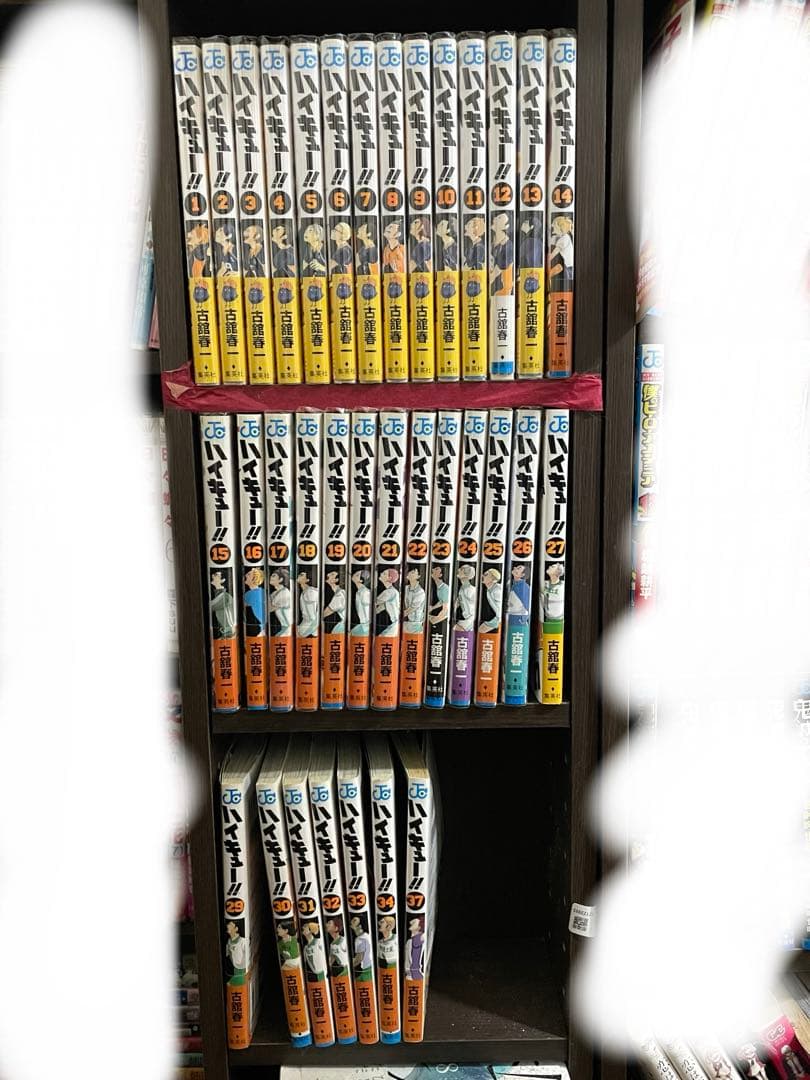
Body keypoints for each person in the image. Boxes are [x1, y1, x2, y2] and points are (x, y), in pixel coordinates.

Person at [490, 211, 514, 295]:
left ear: (506, 226)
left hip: (500, 291)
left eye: (499, 218)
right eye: (496, 217)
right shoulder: (491, 240)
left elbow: (494, 274)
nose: (495, 219)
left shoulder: (508, 246)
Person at [548, 214, 574, 289]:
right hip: (568, 267)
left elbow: (553, 254)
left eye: (554, 226)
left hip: (568, 268)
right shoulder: (563, 237)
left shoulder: (564, 239)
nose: (552, 228)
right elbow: (553, 241)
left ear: (559, 227)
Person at [210, 570, 236, 638]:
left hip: (227, 633)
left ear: (222, 580)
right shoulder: (217, 594)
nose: (212, 576)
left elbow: (210, 607)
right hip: (223, 632)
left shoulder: (225, 596)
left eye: (216, 575)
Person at [375, 568, 400, 636]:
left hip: (394, 625)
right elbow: (381, 607)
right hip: (395, 624)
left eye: (384, 574)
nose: (381, 574)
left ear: (389, 578)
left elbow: (374, 602)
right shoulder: (392, 591)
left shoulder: (389, 592)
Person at [267, 569, 292, 637]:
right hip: (283, 627)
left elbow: (269, 609)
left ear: (280, 579)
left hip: (288, 628)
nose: (270, 577)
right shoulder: (275, 593)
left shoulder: (284, 593)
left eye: (273, 576)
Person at [243, 566, 265, 636]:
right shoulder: (262, 591)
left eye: (249, 574)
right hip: (262, 627)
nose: (245, 575)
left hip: (257, 628)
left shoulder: (249, 594)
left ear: (254, 579)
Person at [453, 564, 476, 631]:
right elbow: (459, 601)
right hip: (466, 619)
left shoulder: (472, 590)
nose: (458, 570)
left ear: (466, 575)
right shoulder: (462, 588)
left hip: (470, 619)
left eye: (461, 569)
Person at [478, 568, 502, 632]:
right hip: (498, 618)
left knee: (481, 630)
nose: (482, 576)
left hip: (499, 619)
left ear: (493, 579)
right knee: (480, 631)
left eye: (486, 574)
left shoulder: (497, 590)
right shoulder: (489, 590)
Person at [403, 567, 426, 633]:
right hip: (408, 622)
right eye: (409, 572)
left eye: (413, 572)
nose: (409, 574)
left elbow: (411, 609)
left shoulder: (420, 591)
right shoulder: (406, 588)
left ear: (418, 576)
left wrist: (397, 617)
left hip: (416, 624)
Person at [350, 915, 373, 982]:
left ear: (360, 926)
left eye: (354, 920)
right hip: (370, 969)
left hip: (364, 972)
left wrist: (347, 966)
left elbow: (359, 959)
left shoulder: (360, 939)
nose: (351, 921)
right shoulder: (367, 935)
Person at [297, 571, 318, 637]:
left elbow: (313, 616)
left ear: (307, 580)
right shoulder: (305, 592)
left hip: (310, 623)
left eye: (301, 575)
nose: (298, 575)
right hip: (307, 622)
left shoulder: (310, 592)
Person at [350, 569, 371, 636]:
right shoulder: (359, 592)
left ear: (361, 580)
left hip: (365, 625)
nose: (353, 575)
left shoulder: (365, 592)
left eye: (357, 575)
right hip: (362, 625)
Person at [405, 916, 424, 981]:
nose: (412, 922)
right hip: (411, 971)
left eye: (415, 922)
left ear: (419, 927)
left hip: (414, 972)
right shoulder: (411, 940)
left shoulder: (418, 939)